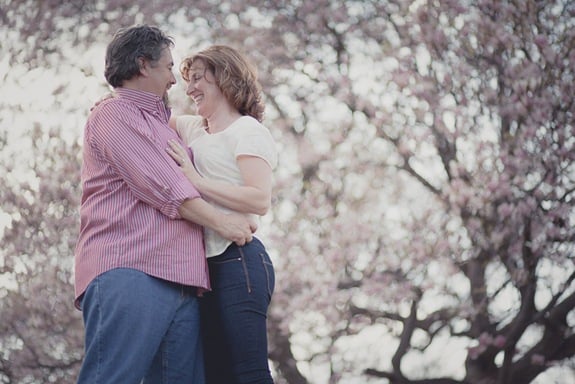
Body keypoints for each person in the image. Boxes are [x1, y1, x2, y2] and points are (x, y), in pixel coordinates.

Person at [74, 25, 256, 384]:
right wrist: (224, 223)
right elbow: (166, 187)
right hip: (132, 270)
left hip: (183, 282)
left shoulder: (162, 125)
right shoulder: (113, 115)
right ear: (143, 64)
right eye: (169, 67)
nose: (175, 80)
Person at [165, 45, 277, 384]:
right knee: (216, 376)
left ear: (225, 78)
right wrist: (111, 104)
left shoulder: (247, 130)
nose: (190, 88)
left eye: (199, 78)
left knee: (249, 372)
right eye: (188, 80)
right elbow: (143, 113)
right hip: (204, 270)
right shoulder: (195, 129)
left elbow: (259, 199)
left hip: (239, 260)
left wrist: (197, 181)